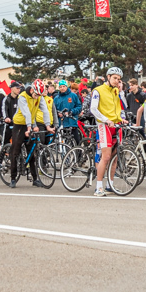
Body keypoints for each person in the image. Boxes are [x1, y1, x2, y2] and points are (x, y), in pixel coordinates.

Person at [90, 67, 127, 197]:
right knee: (105, 157)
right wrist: (106, 120)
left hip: (116, 125)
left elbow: (119, 108)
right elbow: (93, 109)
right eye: (115, 78)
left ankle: (110, 185)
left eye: (119, 79)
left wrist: (121, 119)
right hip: (104, 125)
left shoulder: (116, 91)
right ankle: (98, 187)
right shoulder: (98, 90)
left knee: (114, 158)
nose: (117, 81)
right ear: (108, 77)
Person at [53, 79, 83, 144]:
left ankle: (78, 150)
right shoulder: (56, 98)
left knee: (76, 142)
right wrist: (58, 113)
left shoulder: (73, 96)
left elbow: (79, 107)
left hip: (72, 122)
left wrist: (71, 112)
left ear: (66, 87)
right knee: (62, 143)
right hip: (61, 123)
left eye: (64, 86)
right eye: (60, 87)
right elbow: (53, 110)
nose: (62, 88)